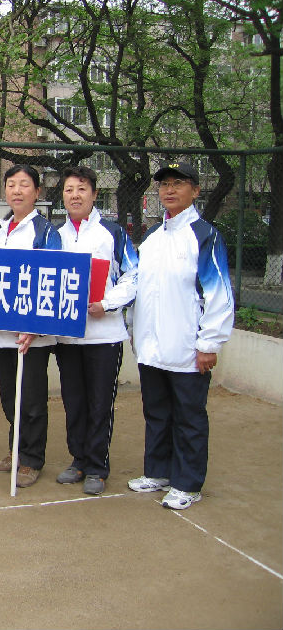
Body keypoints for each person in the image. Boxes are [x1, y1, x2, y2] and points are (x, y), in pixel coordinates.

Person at [127, 162, 233, 509]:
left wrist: (209, 343)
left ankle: (187, 483)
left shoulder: (204, 235)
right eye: (164, 185)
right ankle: (157, 472)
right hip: (151, 346)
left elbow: (218, 293)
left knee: (189, 417)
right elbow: (140, 289)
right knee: (157, 412)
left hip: (187, 347)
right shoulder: (153, 238)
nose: (169, 190)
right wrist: (135, 332)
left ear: (195, 190)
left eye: (178, 183)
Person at [55, 166, 138, 495]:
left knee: (100, 402)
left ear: (94, 194)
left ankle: (97, 466)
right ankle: (78, 460)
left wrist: (107, 303)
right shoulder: (55, 235)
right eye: (69, 190)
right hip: (67, 336)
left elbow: (134, 276)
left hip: (104, 336)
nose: (75, 195)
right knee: (74, 402)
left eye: (81, 189)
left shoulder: (112, 232)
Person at [0, 164, 62, 488]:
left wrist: (35, 326)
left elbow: (53, 279)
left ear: (37, 192)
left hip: (32, 336)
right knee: (9, 397)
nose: (17, 190)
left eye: (24, 184)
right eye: (11, 184)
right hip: (3, 333)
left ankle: (31, 459)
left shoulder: (46, 232)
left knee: (30, 399)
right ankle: (15, 450)